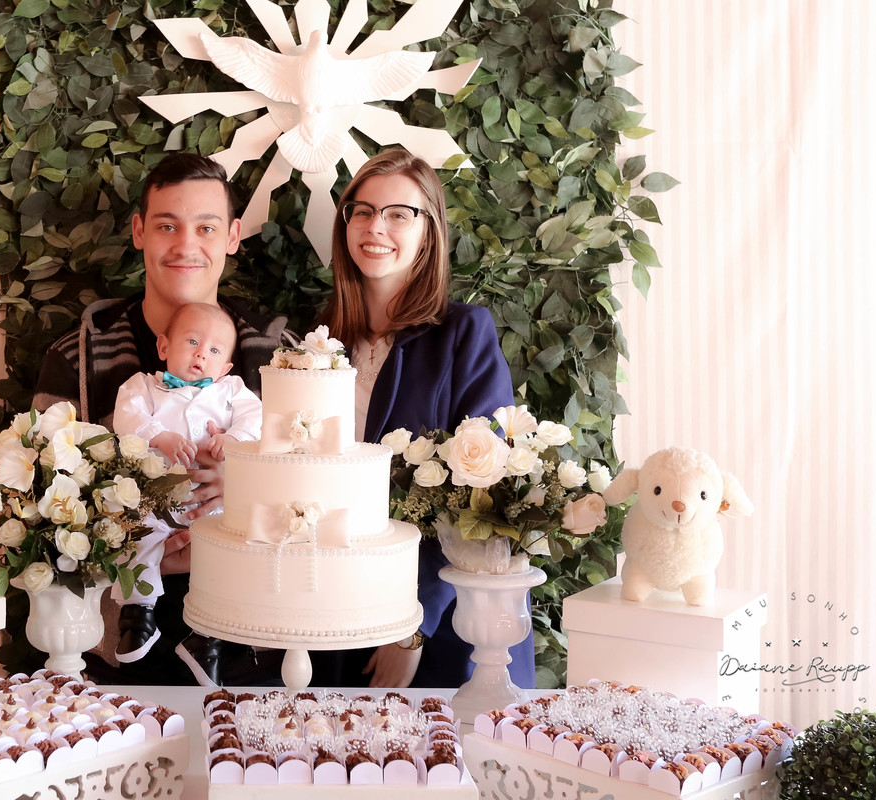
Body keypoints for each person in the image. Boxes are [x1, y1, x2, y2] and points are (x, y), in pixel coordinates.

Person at [33, 153, 293, 684]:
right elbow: (42, 502)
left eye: (206, 227)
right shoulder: (77, 356)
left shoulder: (282, 356)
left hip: (257, 655)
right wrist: (139, 541)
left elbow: (321, 491)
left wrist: (244, 481)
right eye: (167, 226)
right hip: (108, 654)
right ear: (139, 232)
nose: (185, 245)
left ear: (233, 236)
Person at [315, 148, 536, 689]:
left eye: (398, 213)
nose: (376, 227)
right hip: (338, 607)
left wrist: (410, 629)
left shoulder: (463, 334)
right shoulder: (319, 342)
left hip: (447, 616)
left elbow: (484, 501)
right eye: (363, 211)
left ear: (429, 231)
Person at [110, 302, 261, 683]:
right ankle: (137, 615)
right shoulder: (143, 387)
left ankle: (207, 637)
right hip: (153, 500)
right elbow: (126, 417)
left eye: (214, 350)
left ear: (225, 368)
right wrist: (158, 436)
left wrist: (234, 438)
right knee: (136, 539)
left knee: (230, 558)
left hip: (210, 507)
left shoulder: (232, 391)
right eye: (192, 342)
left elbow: (257, 418)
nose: (201, 354)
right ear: (163, 347)